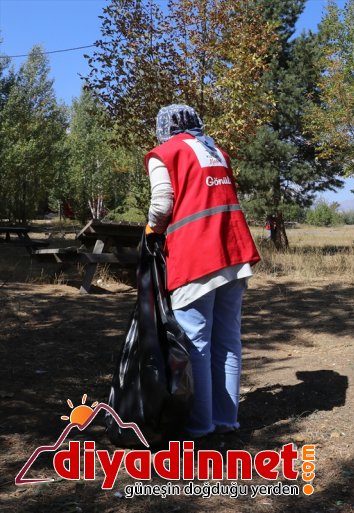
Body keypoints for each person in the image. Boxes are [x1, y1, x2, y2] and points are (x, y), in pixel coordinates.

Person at [145, 104, 260, 438]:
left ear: (163, 127)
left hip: (197, 257)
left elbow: (162, 203)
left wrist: (151, 230)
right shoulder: (217, 151)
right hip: (234, 254)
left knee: (195, 342)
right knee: (227, 341)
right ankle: (227, 419)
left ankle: (199, 425)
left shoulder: (165, 153)